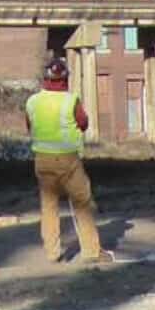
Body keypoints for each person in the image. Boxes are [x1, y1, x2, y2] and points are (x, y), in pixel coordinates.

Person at [26, 56, 103, 264]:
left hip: (42, 159)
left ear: (45, 78)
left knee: (49, 207)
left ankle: (53, 253)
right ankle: (91, 251)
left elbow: (29, 125)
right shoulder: (70, 100)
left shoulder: (32, 102)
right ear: (65, 78)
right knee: (82, 203)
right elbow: (83, 123)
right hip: (68, 159)